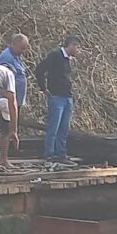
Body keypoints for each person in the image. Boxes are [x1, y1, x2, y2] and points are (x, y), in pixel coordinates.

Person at [35, 35, 79, 165]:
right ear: (71, 45)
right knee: (53, 127)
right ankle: (50, 154)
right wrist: (43, 88)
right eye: (76, 47)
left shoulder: (67, 59)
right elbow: (40, 70)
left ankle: (61, 154)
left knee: (63, 128)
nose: (77, 50)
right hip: (56, 96)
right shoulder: (55, 55)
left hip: (67, 97)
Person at [0, 34, 29, 169]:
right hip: (7, 100)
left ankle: (4, 158)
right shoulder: (6, 58)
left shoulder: (16, 56)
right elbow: (3, 80)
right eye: (22, 48)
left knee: (9, 129)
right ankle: (2, 159)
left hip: (15, 100)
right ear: (14, 44)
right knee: (7, 129)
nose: (23, 51)